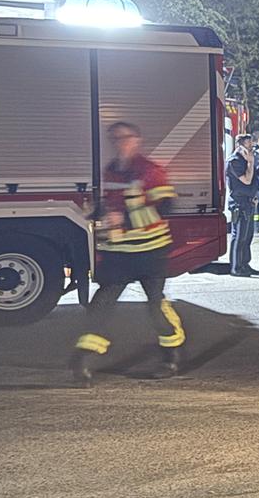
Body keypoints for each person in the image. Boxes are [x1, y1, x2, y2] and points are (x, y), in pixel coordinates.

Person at [69, 122, 185, 385]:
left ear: (137, 140)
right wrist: (94, 212)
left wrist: (125, 218)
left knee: (156, 305)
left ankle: (171, 357)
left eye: (124, 138)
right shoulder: (111, 170)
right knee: (101, 305)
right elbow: (109, 206)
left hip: (150, 251)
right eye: (114, 138)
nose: (119, 143)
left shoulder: (150, 171)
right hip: (118, 252)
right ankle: (83, 358)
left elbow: (166, 207)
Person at [226, 134, 259, 277]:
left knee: (248, 236)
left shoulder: (245, 160)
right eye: (249, 144)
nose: (251, 146)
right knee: (239, 236)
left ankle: (245, 264)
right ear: (240, 145)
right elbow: (246, 180)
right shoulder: (234, 161)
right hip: (239, 203)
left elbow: (253, 182)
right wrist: (250, 163)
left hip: (248, 201)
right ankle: (235, 267)